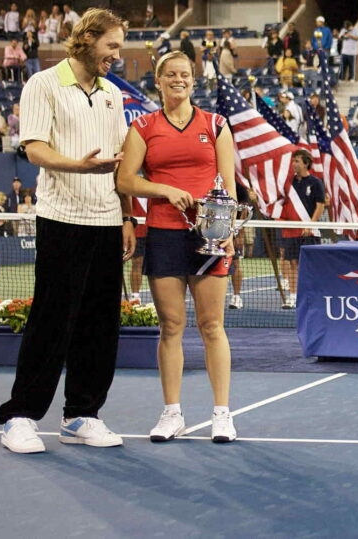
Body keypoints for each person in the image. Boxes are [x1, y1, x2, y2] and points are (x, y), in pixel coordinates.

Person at [0, 8, 131, 454]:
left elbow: (118, 164)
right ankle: (20, 416)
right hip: (62, 221)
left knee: (100, 324)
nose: (117, 55)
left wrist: (128, 217)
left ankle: (81, 415)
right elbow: (34, 148)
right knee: (51, 321)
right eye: (111, 45)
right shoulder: (44, 84)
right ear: (88, 39)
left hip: (107, 222)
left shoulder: (113, 94)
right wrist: (79, 165)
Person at [116, 50, 238, 444]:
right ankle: (172, 413)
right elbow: (126, 180)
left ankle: (222, 414)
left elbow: (228, 185)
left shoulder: (216, 124)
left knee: (212, 325)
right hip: (164, 232)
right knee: (171, 326)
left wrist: (229, 230)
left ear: (193, 80)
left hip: (209, 236)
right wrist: (164, 190)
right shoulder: (143, 127)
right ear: (159, 80)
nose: (178, 80)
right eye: (170, 74)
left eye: (184, 74)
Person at [278, 149, 326, 309]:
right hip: (291, 231)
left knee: (311, 265)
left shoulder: (315, 182)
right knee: (292, 263)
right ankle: (293, 296)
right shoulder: (288, 183)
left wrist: (310, 224)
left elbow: (320, 206)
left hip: (309, 231)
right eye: (293, 161)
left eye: (297, 161)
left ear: (306, 163)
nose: (294, 164)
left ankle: (313, 295)